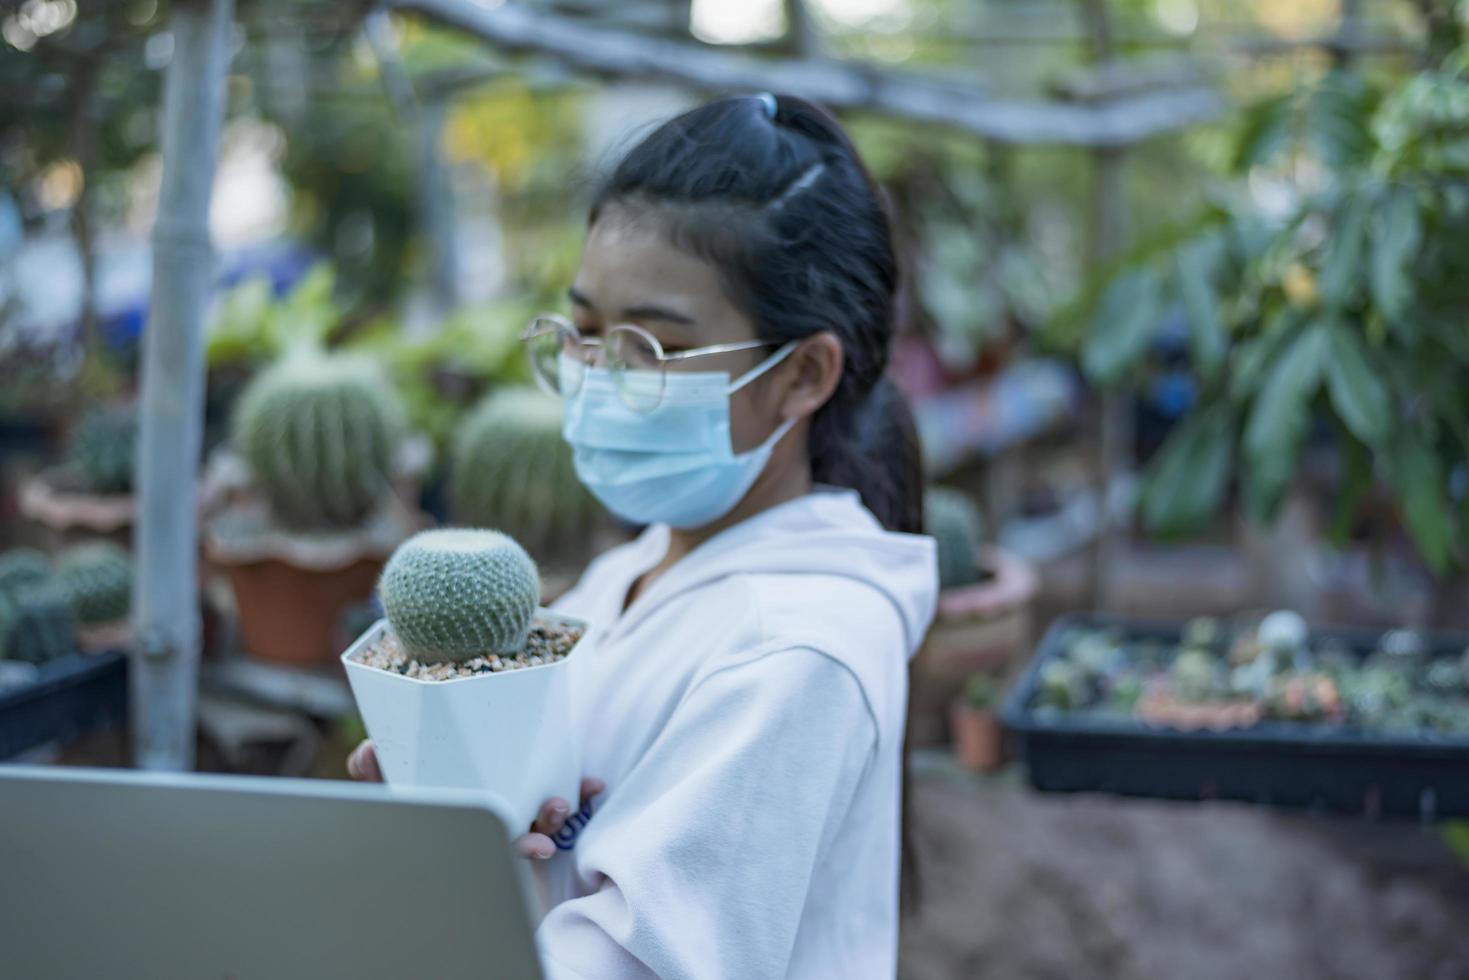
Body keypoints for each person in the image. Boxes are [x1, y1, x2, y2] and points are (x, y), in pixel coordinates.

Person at [349, 92, 938, 979]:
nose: (595, 377)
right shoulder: (632, 572)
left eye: (650, 350)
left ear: (802, 375)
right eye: (584, 332)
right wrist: (468, 813)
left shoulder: (796, 648)